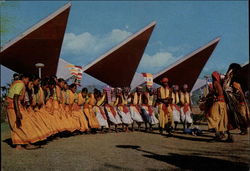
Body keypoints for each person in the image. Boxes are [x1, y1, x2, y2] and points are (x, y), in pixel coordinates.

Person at [6, 74, 44, 149]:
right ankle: (28, 143)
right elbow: (15, 97)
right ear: (24, 78)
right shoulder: (20, 84)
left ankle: (18, 145)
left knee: (16, 125)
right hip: (14, 106)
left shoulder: (15, 83)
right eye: (27, 79)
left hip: (11, 106)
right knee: (25, 124)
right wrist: (17, 111)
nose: (28, 81)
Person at [223, 63, 249, 135]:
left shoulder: (239, 77)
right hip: (232, 97)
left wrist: (238, 91)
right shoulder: (231, 77)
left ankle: (244, 128)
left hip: (239, 98)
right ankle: (236, 127)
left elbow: (244, 88)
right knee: (234, 113)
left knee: (240, 113)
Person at [209, 71, 228, 140]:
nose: (212, 78)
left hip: (219, 102)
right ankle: (222, 133)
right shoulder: (219, 83)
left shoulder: (215, 83)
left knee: (211, 116)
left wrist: (212, 91)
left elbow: (218, 92)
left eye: (212, 77)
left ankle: (217, 133)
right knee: (221, 119)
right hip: (223, 103)